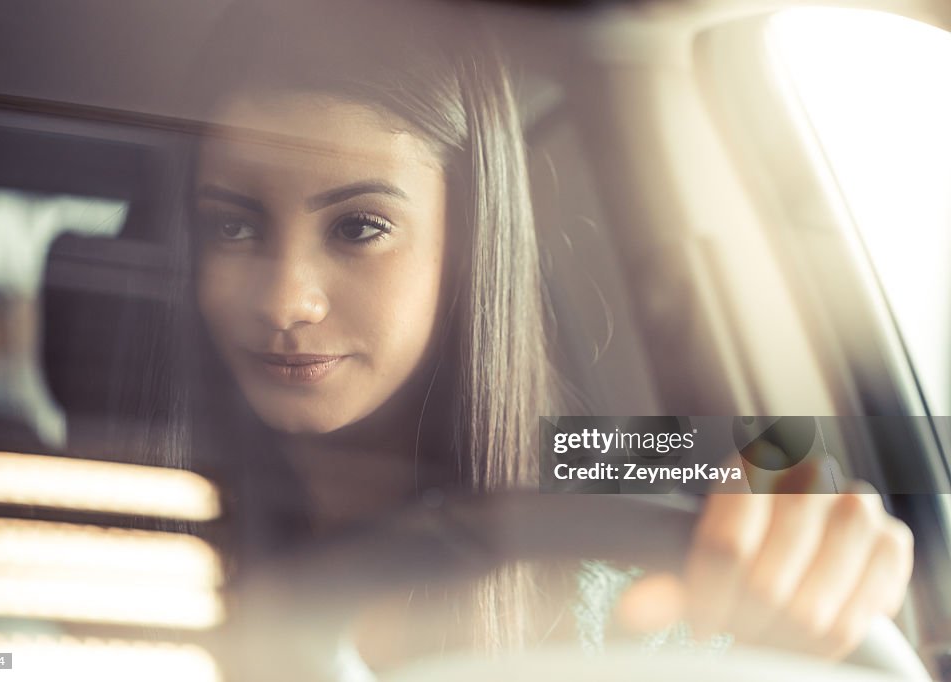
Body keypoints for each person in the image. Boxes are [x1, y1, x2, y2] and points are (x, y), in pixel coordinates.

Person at [114, 0, 915, 674]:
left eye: (359, 227)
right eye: (233, 225)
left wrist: (816, 528)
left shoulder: (595, 463)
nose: (286, 299)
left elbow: (765, 457)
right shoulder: (92, 509)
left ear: (467, 248)